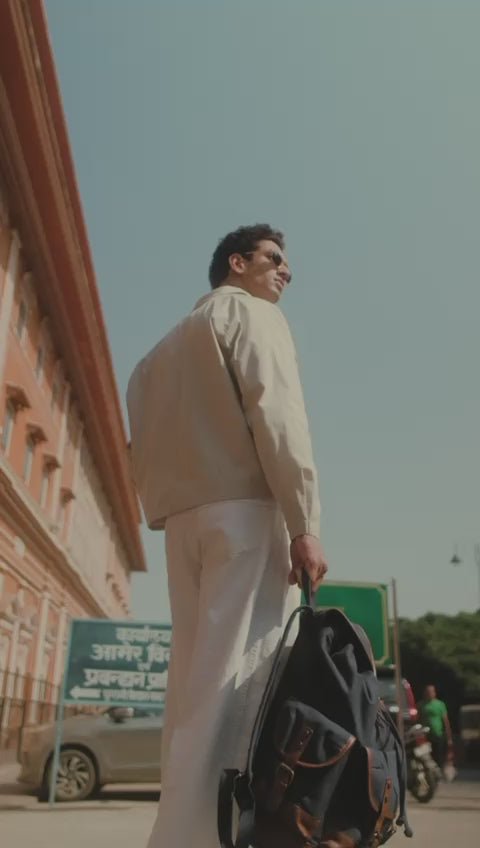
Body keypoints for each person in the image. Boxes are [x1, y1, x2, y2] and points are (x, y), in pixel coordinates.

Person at [126, 223, 327, 848]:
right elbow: (280, 417)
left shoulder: (155, 356)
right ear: (236, 264)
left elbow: (143, 448)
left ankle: (177, 831)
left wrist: (168, 510)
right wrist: (304, 523)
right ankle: (209, 837)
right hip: (245, 512)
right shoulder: (253, 315)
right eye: (274, 257)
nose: (286, 269)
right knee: (241, 685)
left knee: (191, 687)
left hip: (182, 523)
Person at [418, 684, 453, 769]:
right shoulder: (420, 705)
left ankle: (438, 771)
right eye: (427, 692)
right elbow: (417, 719)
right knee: (426, 755)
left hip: (437, 734)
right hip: (425, 735)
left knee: (438, 755)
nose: (429, 694)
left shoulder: (440, 704)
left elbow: (445, 720)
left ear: (434, 693)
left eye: (431, 692)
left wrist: (449, 736)